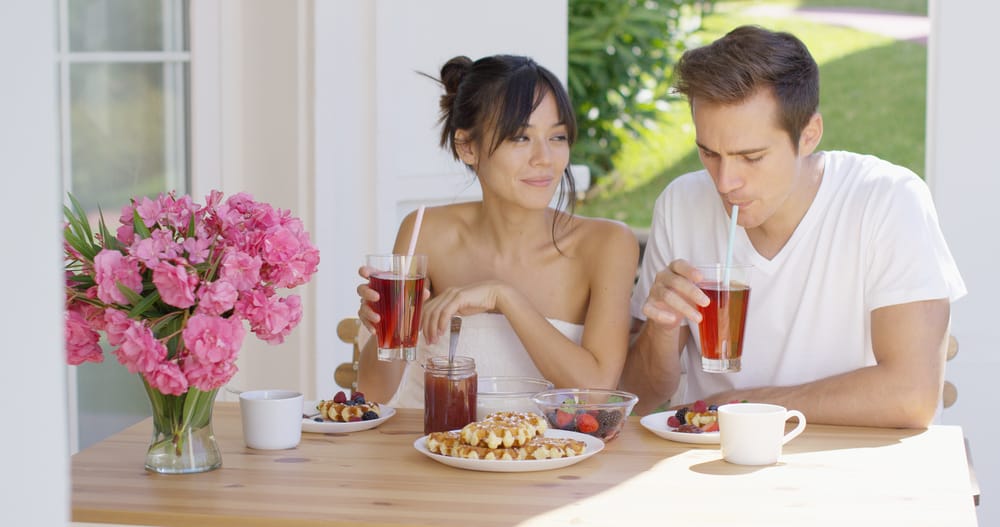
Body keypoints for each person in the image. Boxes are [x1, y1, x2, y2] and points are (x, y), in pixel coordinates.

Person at [621, 25, 966, 428]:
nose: (725, 182)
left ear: (809, 135)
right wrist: (662, 330)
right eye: (709, 153)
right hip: (710, 459)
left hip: (845, 458)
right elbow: (640, 397)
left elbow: (912, 396)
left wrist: (742, 406)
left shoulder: (886, 200)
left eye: (751, 157)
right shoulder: (681, 204)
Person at [355, 54, 639, 407]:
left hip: (545, 443)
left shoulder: (607, 244)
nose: (544, 158)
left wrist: (503, 297)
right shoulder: (424, 230)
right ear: (467, 147)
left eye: (558, 136)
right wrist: (381, 331)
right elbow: (374, 394)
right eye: (520, 137)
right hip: (428, 438)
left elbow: (595, 392)